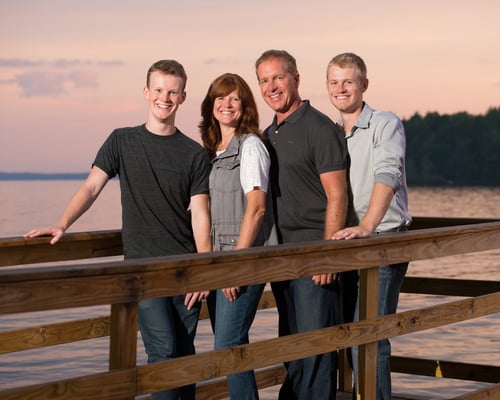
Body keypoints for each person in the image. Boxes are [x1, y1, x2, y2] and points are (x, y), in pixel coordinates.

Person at [24, 59, 212, 400]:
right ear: (146, 92)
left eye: (172, 91)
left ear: (183, 97)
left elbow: (200, 215)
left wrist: (204, 268)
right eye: (158, 89)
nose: (164, 97)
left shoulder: (194, 154)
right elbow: (92, 187)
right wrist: (62, 223)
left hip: (185, 271)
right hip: (142, 268)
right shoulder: (122, 140)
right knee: (163, 352)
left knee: (184, 354)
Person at [255, 49, 350, 400]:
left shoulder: (319, 128)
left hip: (315, 256)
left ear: (296, 78)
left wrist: (327, 255)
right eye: (264, 80)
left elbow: (337, 195)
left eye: (278, 77)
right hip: (283, 256)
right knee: (292, 345)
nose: (272, 86)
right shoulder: (268, 134)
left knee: (315, 347)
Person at [326, 52, 412, 400]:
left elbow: (387, 173)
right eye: (334, 82)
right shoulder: (330, 134)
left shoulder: (384, 124)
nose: (341, 88)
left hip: (383, 242)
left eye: (348, 81)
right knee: (348, 338)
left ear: (364, 84)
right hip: (345, 246)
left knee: (370, 339)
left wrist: (367, 226)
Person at [199, 73, 277, 400]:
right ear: (211, 104)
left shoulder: (251, 146)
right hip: (219, 258)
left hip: (239, 260)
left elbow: (256, 208)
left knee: (227, 346)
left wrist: (235, 265)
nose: (226, 104)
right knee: (234, 345)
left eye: (234, 98)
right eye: (220, 97)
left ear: (244, 106)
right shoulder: (212, 151)